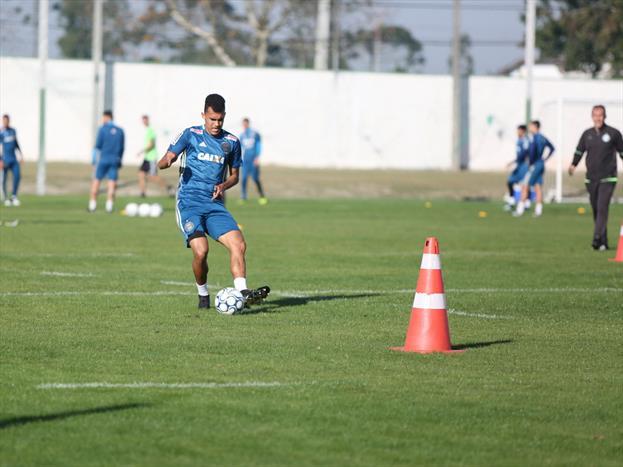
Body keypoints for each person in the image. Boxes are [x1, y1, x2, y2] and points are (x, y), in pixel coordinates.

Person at [157, 93, 269, 309]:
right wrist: (166, 161)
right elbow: (164, 159)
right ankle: (203, 293)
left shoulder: (232, 142)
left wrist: (224, 185)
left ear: (224, 116)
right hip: (189, 203)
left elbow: (234, 176)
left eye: (220, 119)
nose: (216, 124)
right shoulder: (190, 134)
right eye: (212, 119)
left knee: (239, 244)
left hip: (215, 204)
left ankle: (243, 293)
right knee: (201, 251)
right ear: (203, 115)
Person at [569, 105, 623, 251]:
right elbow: (579, 151)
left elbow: (622, 151)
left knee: (602, 207)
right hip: (591, 179)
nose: (598, 118)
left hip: (608, 178)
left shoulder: (614, 133)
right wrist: (573, 164)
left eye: (600, 115)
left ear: (604, 116)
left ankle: (596, 237)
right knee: (595, 209)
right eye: (595, 115)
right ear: (592, 116)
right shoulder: (587, 134)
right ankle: (603, 242)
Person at [514, 120, 554, 217]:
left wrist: (531, 162)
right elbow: (552, 148)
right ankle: (538, 211)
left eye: (531, 126)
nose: (529, 128)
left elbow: (532, 151)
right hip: (541, 163)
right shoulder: (543, 138)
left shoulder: (534, 138)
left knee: (524, 185)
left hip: (535, 164)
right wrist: (545, 158)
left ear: (536, 127)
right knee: (537, 186)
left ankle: (520, 210)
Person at [89, 110, 125, 213]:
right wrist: (119, 160)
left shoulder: (102, 129)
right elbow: (122, 148)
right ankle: (109, 207)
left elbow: (97, 147)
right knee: (112, 183)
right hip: (114, 160)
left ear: (106, 117)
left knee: (96, 181)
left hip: (103, 159)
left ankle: (92, 205)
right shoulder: (120, 131)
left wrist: (93, 161)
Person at [136, 115, 171, 197]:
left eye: (145, 120)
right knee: (141, 174)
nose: (144, 122)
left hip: (151, 157)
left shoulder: (150, 131)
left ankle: (168, 187)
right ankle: (143, 193)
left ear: (148, 120)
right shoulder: (148, 130)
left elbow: (151, 144)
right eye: (143, 121)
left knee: (153, 177)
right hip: (147, 157)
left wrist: (141, 151)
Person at [239, 117, 267, 205]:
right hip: (245, 161)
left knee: (255, 178)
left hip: (253, 159)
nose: (244, 125)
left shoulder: (254, 134)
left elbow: (258, 145)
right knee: (243, 179)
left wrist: (257, 157)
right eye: (243, 124)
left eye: (245, 123)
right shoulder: (242, 135)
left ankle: (262, 196)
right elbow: (241, 148)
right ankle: (243, 197)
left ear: (248, 123)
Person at [0, 114, 23, 207]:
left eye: (7, 120)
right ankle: (5, 198)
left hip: (13, 159)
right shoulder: (1, 132)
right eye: (4, 120)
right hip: (4, 159)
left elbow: (16, 143)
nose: (6, 122)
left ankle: (14, 197)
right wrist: (0, 160)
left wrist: (21, 154)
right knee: (3, 179)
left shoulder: (13, 131)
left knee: (17, 176)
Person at [504, 124, 530, 208]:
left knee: (524, 185)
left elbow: (524, 154)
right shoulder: (519, 140)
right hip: (519, 165)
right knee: (510, 181)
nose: (517, 132)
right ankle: (512, 200)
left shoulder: (526, 141)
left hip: (524, 166)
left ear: (523, 131)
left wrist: (512, 162)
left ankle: (526, 202)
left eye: (519, 130)